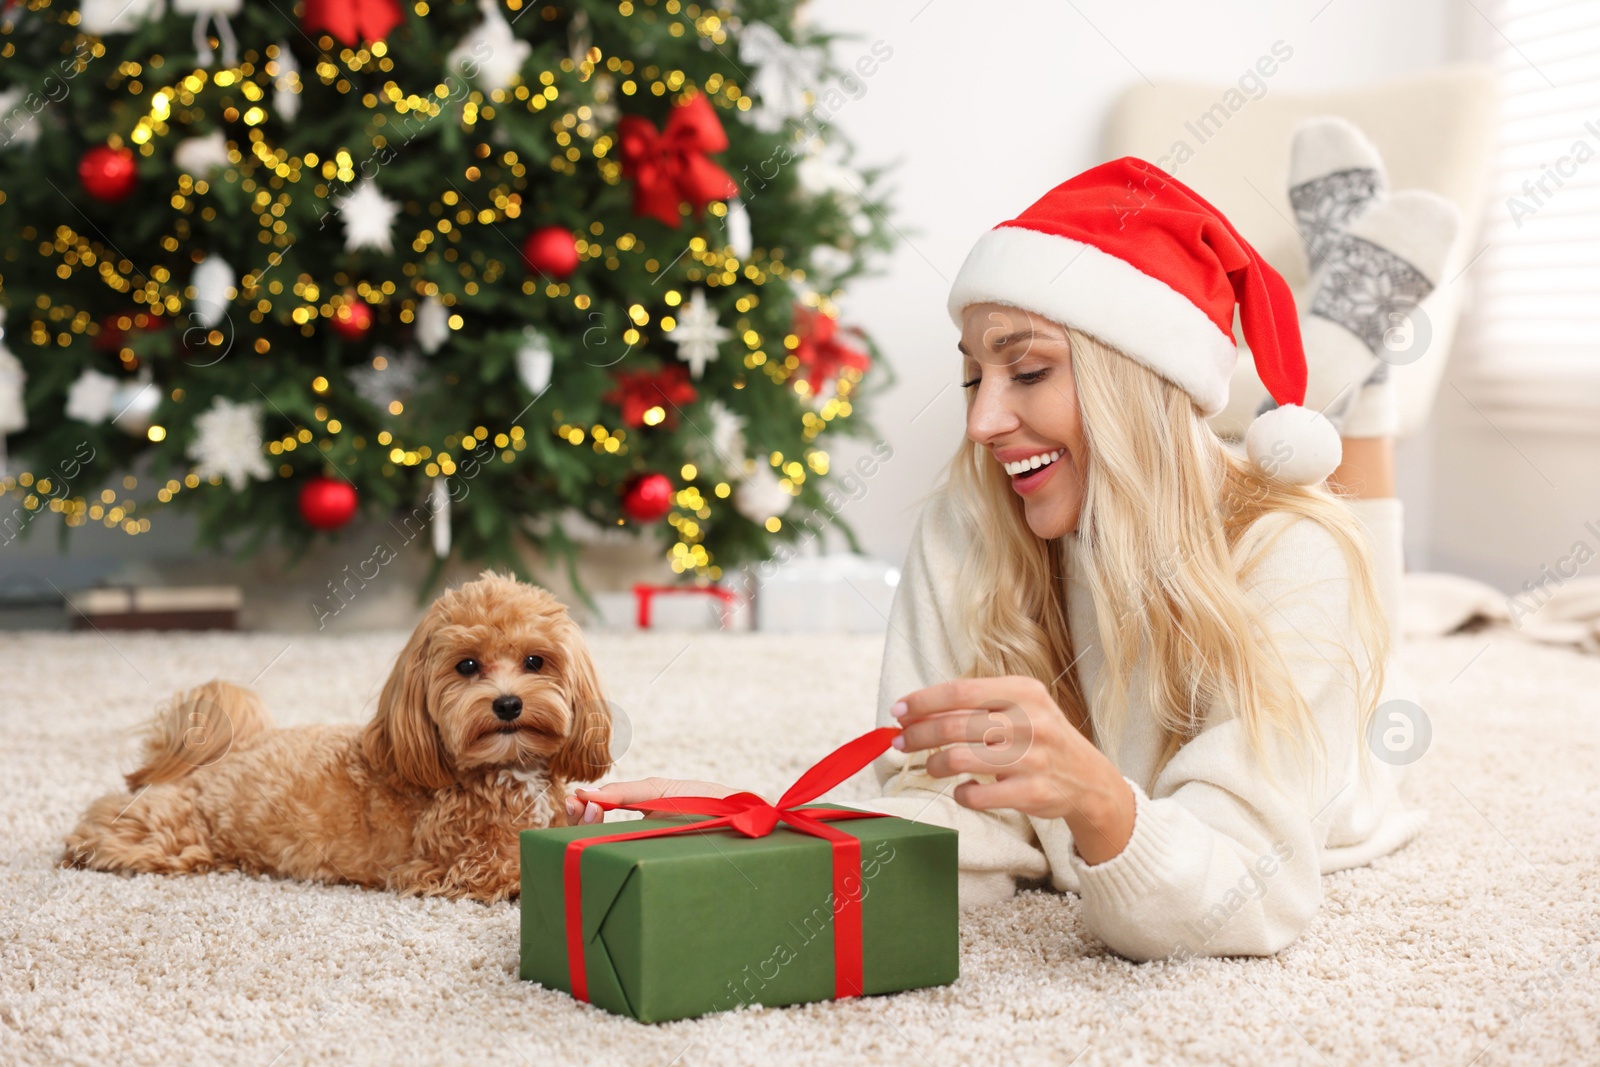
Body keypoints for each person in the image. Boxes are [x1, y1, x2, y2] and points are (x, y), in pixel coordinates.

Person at [568, 119, 1458, 962]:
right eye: (971, 377)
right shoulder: (970, 518)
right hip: (1189, 506)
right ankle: (1351, 329)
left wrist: (1102, 802)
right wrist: (744, 831)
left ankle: (1356, 361)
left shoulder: (1288, 556)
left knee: (1339, 533)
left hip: (1346, 726)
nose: (986, 420)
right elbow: (947, 807)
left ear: (1132, 381)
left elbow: (1247, 892)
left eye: (1027, 369)